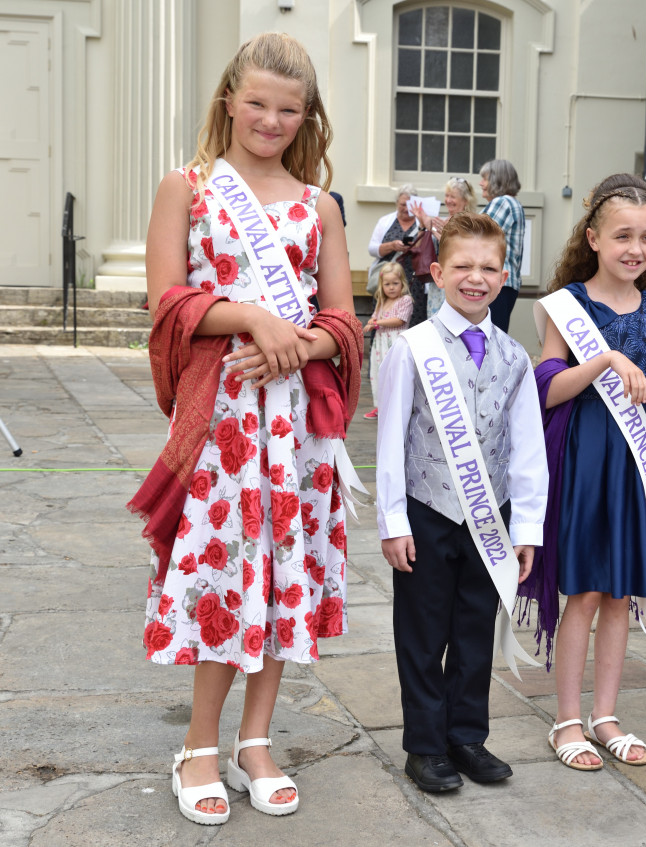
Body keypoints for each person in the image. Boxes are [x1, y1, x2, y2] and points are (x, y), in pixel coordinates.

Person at [129, 32, 363, 825]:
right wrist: (254, 319)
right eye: (257, 102)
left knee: (283, 575)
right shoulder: (187, 187)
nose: (270, 119)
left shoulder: (319, 204)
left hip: (296, 431)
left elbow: (342, 320)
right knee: (225, 579)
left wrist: (297, 344)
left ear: (307, 116)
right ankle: (198, 744)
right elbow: (167, 301)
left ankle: (255, 741)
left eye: (287, 109)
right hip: (225, 427)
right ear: (230, 97)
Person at [375, 213, 547, 792]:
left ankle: (466, 737)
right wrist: (393, 521)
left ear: (505, 276)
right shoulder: (414, 348)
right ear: (439, 272)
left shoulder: (515, 357)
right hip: (427, 510)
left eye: (489, 268)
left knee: (476, 629)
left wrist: (526, 526)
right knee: (423, 632)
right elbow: (392, 439)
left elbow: (527, 449)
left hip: (488, 515)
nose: (476, 278)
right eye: (464, 267)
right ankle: (425, 745)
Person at [526, 174, 646, 771]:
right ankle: (567, 719)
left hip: (638, 463)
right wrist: (602, 361)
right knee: (587, 590)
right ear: (593, 237)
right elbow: (546, 389)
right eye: (623, 235)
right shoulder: (568, 305)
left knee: (621, 592)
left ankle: (607, 715)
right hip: (586, 457)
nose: (636, 248)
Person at [413, 176, 478, 319]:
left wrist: (434, 230)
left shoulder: (469, 222)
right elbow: (419, 247)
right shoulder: (444, 220)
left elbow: (459, 251)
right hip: (439, 283)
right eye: (447, 195)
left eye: (453, 196)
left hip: (457, 282)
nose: (448, 200)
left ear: (465, 201)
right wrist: (422, 225)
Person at [362, 262, 413, 419]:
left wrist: (377, 323)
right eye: (387, 284)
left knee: (395, 373)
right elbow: (375, 316)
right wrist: (371, 322)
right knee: (378, 372)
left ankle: (397, 406)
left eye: (395, 283)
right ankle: (380, 405)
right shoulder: (382, 301)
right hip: (380, 343)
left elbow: (399, 320)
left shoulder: (405, 300)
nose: (391, 287)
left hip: (395, 341)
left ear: (402, 283)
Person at [479, 159, 525, 332]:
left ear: (498, 180)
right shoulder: (512, 203)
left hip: (497, 282)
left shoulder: (503, 202)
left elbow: (478, 237)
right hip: (504, 284)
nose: (481, 183)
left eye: (485, 178)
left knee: (488, 339)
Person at [368, 185, 424, 323]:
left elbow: (427, 249)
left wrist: (414, 247)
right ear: (396, 203)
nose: (405, 209)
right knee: (384, 320)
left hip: (413, 282)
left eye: (409, 205)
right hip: (388, 281)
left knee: (412, 320)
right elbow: (372, 249)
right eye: (402, 204)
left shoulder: (421, 222)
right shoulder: (385, 221)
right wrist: (392, 246)